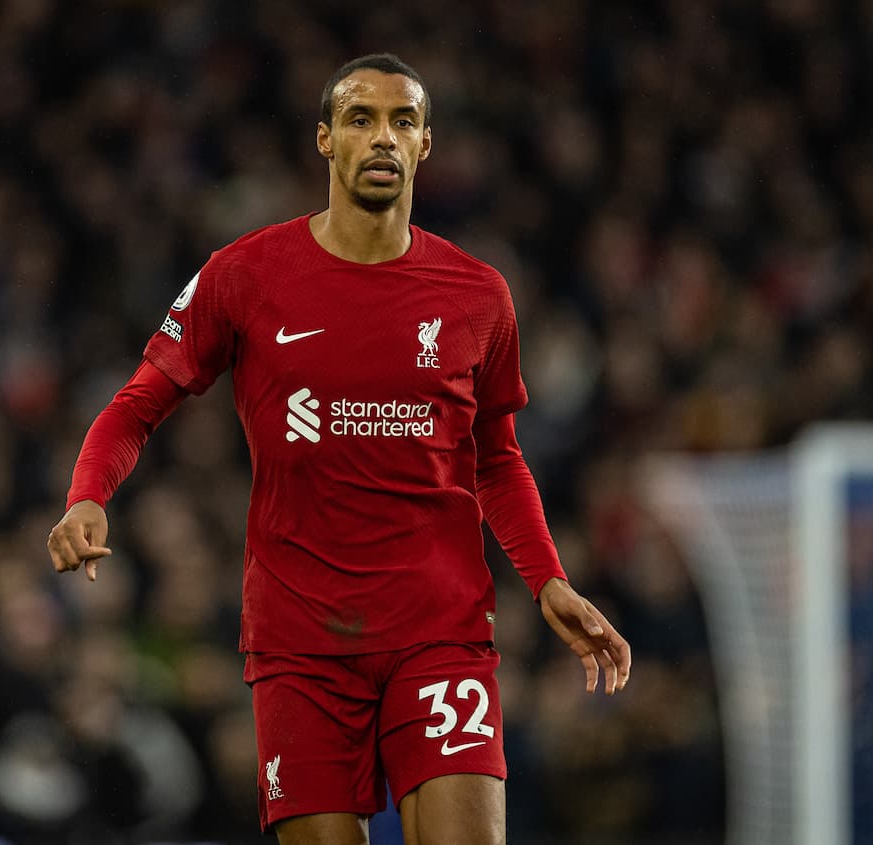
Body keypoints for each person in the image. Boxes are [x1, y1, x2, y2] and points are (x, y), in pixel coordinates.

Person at [46, 52, 631, 845]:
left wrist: (548, 578)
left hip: (440, 629)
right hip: (300, 642)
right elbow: (139, 402)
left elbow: (494, 457)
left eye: (404, 121)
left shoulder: (478, 294)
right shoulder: (243, 275)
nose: (382, 137)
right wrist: (88, 492)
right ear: (326, 140)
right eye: (361, 118)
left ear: (426, 146)